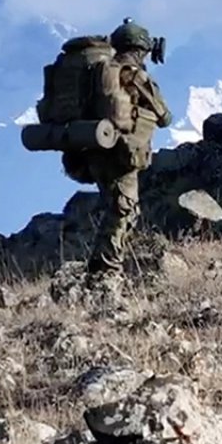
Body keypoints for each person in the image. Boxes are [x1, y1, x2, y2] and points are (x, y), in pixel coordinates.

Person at [85, 18, 172, 276]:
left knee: (114, 207)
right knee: (122, 210)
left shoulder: (99, 74)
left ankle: (101, 266)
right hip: (122, 155)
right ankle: (105, 271)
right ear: (140, 49)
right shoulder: (134, 75)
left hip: (94, 149)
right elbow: (164, 116)